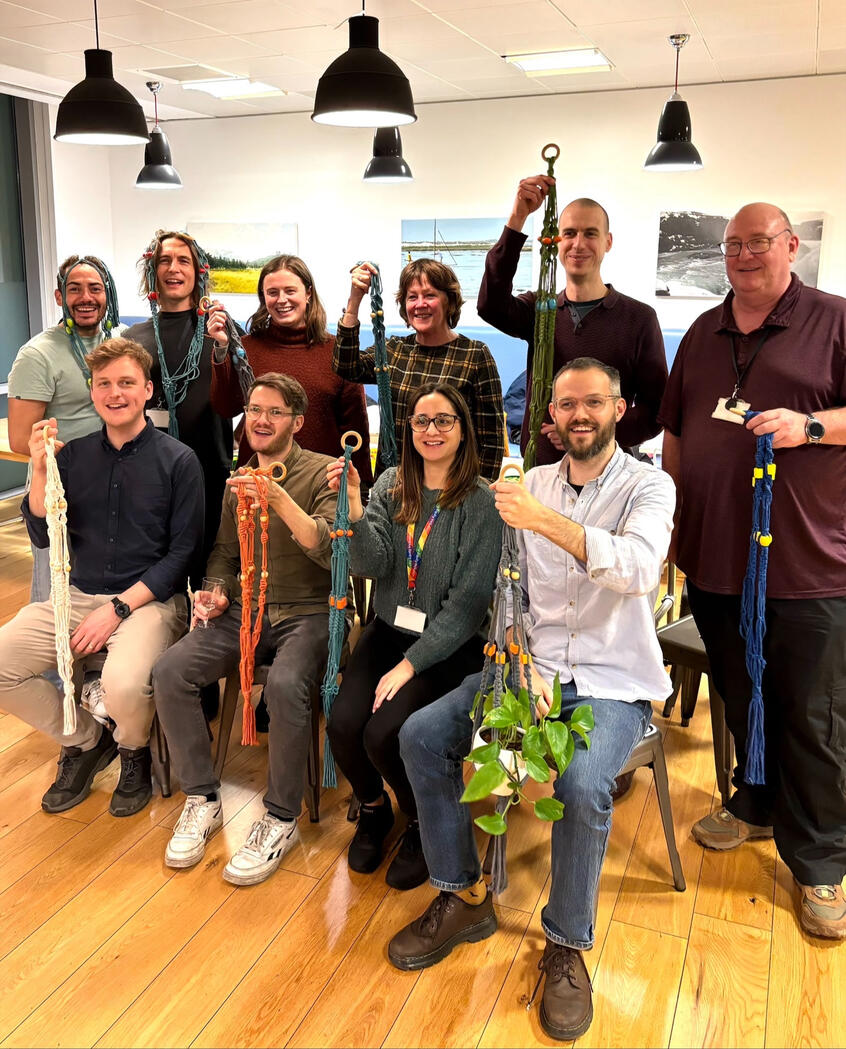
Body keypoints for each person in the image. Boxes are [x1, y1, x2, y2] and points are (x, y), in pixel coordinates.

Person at [387, 358, 675, 1041]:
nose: (579, 415)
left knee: (580, 783)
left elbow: (639, 568)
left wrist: (545, 521)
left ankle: (567, 944)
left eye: (593, 402)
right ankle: (462, 894)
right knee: (422, 735)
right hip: (529, 671)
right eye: (566, 404)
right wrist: (522, 662)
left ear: (619, 409)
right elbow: (508, 589)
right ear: (551, 416)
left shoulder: (648, 485)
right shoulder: (530, 482)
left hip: (610, 683)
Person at [659, 202, 846, 941]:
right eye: (732, 244)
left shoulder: (833, 320)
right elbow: (676, 432)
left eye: (758, 242)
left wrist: (812, 427)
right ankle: (757, 802)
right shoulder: (702, 332)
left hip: (807, 562)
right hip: (715, 557)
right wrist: (672, 521)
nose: (743, 255)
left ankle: (822, 859)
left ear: (790, 246)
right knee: (742, 693)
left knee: (812, 714)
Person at [152, 372, 342, 886]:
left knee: (284, 683)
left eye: (275, 412)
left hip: (309, 611)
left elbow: (332, 550)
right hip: (245, 611)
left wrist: (278, 498)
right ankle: (201, 797)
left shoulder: (325, 473)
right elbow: (222, 553)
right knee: (170, 671)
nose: (260, 419)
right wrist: (216, 591)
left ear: (297, 422)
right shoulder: (238, 480)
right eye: (255, 410)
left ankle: (280, 816)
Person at [0, 339, 203, 817]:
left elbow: (183, 556)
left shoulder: (179, 461)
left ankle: (133, 753)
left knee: (123, 683)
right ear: (92, 392)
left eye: (127, 383)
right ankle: (87, 740)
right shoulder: (71, 458)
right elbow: (43, 533)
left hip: (150, 601)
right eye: (104, 384)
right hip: (77, 595)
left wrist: (117, 609)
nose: (115, 393)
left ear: (148, 390)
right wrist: (39, 469)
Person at [325, 382, 501, 890]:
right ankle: (374, 808)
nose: (431, 430)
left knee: (384, 734)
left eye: (444, 420)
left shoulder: (481, 502)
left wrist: (410, 665)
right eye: (421, 421)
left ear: (463, 430)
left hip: (451, 646)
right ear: (408, 429)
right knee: (343, 724)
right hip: (388, 630)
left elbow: (467, 605)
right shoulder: (389, 484)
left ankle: (424, 818)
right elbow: (371, 563)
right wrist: (355, 508)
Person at [478, 179, 667, 464]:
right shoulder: (540, 311)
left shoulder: (638, 319)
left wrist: (591, 433)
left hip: (607, 474)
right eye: (569, 233)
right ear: (557, 241)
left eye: (590, 233)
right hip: (543, 470)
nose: (578, 244)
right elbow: (490, 305)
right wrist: (517, 219)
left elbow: (655, 410)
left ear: (608, 242)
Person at [8, 254, 125, 601]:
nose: (86, 298)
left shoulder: (119, 343)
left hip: (116, 482)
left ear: (108, 294)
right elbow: (20, 439)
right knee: (56, 587)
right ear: (60, 296)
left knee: (109, 583)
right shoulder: (38, 355)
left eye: (95, 289)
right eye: (74, 289)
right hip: (61, 486)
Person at [334, 258, 506, 483]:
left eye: (430, 295)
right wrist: (354, 301)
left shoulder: (474, 355)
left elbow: (491, 441)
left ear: (449, 301)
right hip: (395, 485)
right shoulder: (394, 351)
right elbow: (346, 366)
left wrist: (477, 495)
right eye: (412, 297)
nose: (420, 304)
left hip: (451, 487)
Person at [125, 230, 234, 584]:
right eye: (164, 261)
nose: (173, 268)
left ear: (198, 271)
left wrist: (223, 348)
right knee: (157, 569)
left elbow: (240, 397)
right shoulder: (133, 338)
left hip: (209, 472)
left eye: (183, 260)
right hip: (151, 474)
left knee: (208, 571)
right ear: (152, 271)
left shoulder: (220, 330)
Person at [209, 254, 373, 487]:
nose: (281, 300)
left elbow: (355, 428)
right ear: (263, 297)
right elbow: (225, 408)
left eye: (290, 291)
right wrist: (222, 348)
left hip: (320, 487)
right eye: (272, 292)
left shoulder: (337, 352)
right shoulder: (246, 349)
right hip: (257, 485)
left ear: (308, 293)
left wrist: (361, 489)